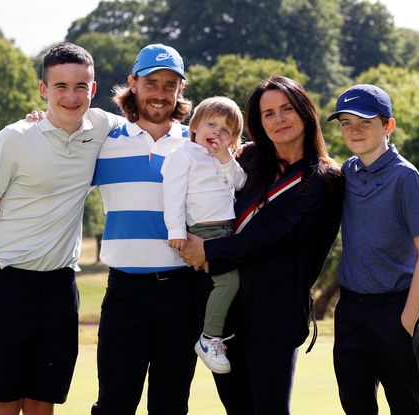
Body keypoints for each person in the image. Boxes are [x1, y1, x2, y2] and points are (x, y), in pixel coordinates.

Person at [0, 42, 120, 415]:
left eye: (80, 86)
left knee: (41, 403)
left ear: (93, 89)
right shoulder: (15, 138)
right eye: (60, 87)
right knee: (3, 403)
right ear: (43, 90)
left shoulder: (102, 127)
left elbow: (153, 124)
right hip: (7, 284)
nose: (71, 96)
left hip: (59, 288)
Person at [180, 76, 344, 415]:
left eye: (286, 109)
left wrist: (208, 252)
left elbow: (278, 236)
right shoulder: (248, 159)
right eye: (268, 114)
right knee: (237, 409)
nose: (278, 119)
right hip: (222, 308)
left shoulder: (325, 179)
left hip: (275, 313)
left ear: (305, 112)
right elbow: (194, 157)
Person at [89, 44, 199, 415]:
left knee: (170, 406)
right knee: (114, 404)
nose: (161, 92)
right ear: (133, 83)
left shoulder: (196, 144)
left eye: (171, 84)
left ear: (180, 90)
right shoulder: (104, 143)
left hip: (183, 294)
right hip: (125, 292)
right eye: (152, 82)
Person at [327, 84, 419, 415]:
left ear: (388, 125)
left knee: (405, 408)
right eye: (346, 122)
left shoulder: (405, 177)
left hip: (393, 311)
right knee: (356, 406)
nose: (355, 129)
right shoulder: (348, 171)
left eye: (365, 121)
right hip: (350, 311)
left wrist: (405, 321)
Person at [161, 96, 246, 374]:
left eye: (225, 130)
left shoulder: (225, 159)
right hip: (203, 230)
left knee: (233, 283)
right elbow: (172, 195)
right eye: (211, 124)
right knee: (228, 282)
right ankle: (209, 338)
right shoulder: (183, 155)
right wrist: (176, 232)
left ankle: (221, 331)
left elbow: (240, 182)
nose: (217, 133)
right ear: (194, 126)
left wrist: (225, 158)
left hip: (227, 232)